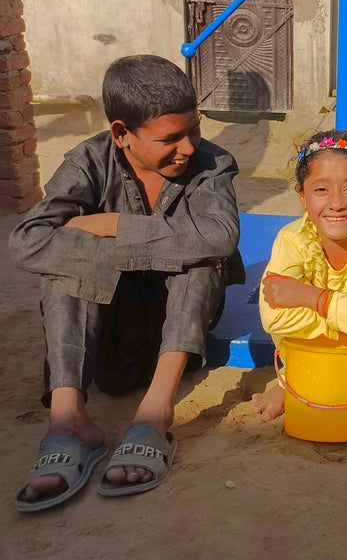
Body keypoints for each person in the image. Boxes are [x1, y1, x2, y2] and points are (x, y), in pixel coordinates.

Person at [11, 55, 243, 511]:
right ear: (122, 134)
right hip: (106, 332)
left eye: (193, 130)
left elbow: (221, 235)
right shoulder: (87, 161)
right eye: (169, 138)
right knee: (67, 266)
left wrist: (111, 225)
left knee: (200, 262)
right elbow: (27, 242)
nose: (189, 147)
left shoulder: (212, 164)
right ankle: (68, 420)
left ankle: (155, 415)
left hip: (178, 328)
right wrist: (125, 250)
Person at [251, 130, 347, 423]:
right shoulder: (291, 240)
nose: (336, 203)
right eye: (321, 190)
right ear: (302, 195)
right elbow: (274, 319)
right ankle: (291, 383)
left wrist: (312, 298)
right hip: (302, 364)